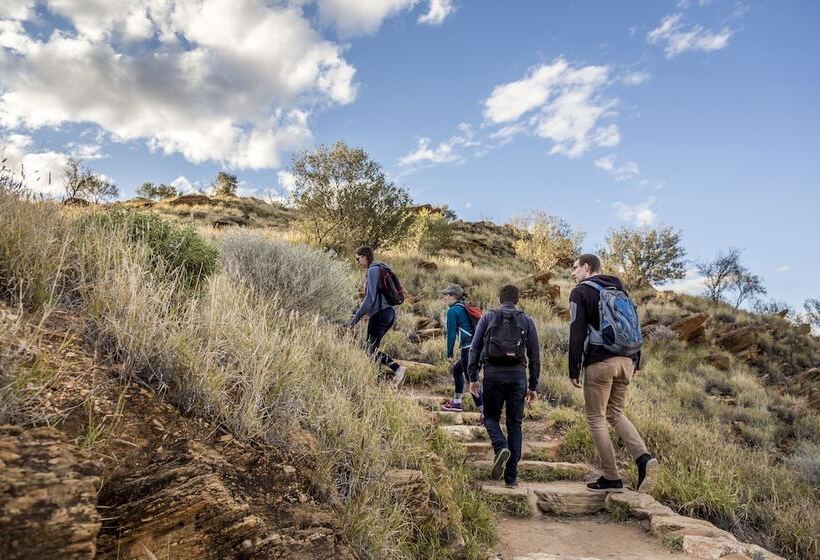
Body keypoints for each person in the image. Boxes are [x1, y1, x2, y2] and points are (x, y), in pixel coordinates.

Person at [568, 253, 658, 493]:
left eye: (575, 268)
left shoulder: (581, 291)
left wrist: (573, 368)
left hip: (600, 362)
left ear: (587, 267)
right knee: (616, 413)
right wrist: (635, 361)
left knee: (596, 418)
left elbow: (576, 330)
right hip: (626, 361)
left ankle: (611, 477)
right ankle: (644, 459)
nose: (573, 273)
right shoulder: (620, 290)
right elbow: (633, 326)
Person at [468, 284, 540, 489]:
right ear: (517, 300)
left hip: (493, 375)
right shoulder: (527, 320)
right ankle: (511, 477)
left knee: (490, 416)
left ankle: (500, 446)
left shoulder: (488, 317)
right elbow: (535, 356)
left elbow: (475, 347)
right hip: (518, 377)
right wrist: (533, 385)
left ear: (499, 298)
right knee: (515, 424)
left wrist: (473, 377)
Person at [348, 246, 407, 385]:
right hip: (389, 313)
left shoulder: (373, 270)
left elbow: (369, 298)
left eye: (358, 259)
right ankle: (376, 381)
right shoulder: (381, 269)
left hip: (381, 314)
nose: (358, 262)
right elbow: (379, 296)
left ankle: (397, 368)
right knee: (373, 349)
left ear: (364, 257)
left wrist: (354, 319)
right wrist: (369, 313)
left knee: (370, 349)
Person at [439, 284, 484, 422]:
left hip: (468, 349)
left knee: (472, 381)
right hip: (478, 348)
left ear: (453, 296)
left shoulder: (453, 311)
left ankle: (485, 414)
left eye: (446, 295)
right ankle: (457, 402)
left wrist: (449, 354)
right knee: (457, 370)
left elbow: (451, 335)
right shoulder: (464, 307)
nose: (445, 298)